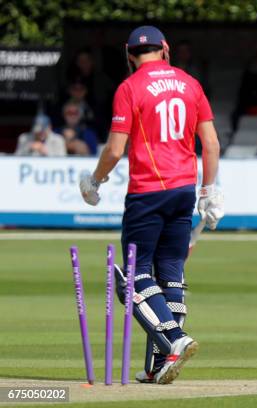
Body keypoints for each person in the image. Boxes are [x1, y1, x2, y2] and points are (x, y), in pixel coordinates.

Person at [78, 26, 224, 385]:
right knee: (171, 270)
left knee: (132, 277)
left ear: (129, 55)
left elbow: (114, 149)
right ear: (166, 49)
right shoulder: (190, 83)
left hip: (147, 191)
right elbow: (211, 143)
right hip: (183, 191)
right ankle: (161, 363)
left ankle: (174, 339)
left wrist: (94, 181)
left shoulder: (130, 87)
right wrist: (208, 191)